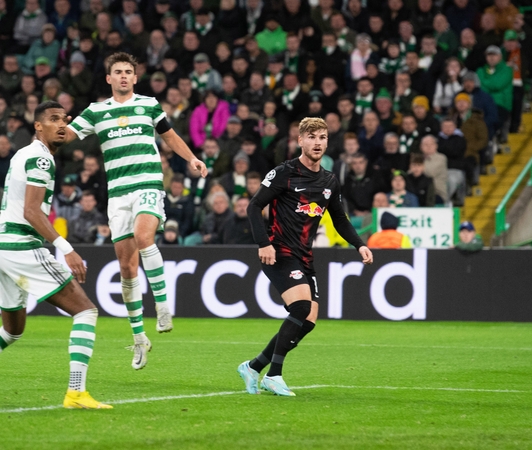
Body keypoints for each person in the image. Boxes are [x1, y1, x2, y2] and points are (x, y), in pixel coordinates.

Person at [64, 52, 209, 370]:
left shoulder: (149, 105)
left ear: (135, 77)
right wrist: (49, 129)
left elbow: (169, 136)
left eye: (128, 71)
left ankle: (163, 306)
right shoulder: (96, 112)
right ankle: (139, 338)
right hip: (118, 195)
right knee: (127, 268)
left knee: (145, 238)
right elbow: (67, 136)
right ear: (109, 78)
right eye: (118, 72)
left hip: (147, 185)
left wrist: (192, 158)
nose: (123, 76)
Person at [237, 117, 373, 397]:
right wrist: (263, 243)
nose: (317, 143)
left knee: (308, 321)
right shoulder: (284, 173)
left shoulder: (329, 181)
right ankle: (274, 375)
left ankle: (253, 366)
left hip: (304, 256)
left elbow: (340, 219)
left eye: (322, 137)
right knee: (300, 308)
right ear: (300, 140)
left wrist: (359, 244)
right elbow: (254, 206)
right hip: (278, 252)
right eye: (311, 137)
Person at [0, 101, 110, 409]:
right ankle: (76, 392)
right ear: (38, 126)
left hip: (3, 244)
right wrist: (67, 249)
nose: (61, 124)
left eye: (64, 119)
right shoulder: (40, 158)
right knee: (86, 311)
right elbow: (32, 211)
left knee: (12, 330)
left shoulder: (23, 153)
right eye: (53, 119)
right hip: (21, 245)